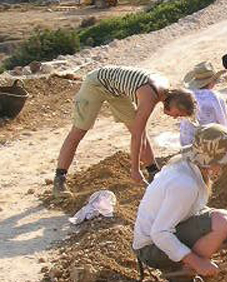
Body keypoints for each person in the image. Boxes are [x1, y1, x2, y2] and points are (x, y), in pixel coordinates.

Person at [132, 124, 227, 282]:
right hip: (150, 248)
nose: (224, 166)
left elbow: (185, 212)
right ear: (209, 161)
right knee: (221, 222)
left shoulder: (186, 165)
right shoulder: (185, 184)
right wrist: (197, 263)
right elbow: (160, 233)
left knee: (224, 226)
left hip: (155, 243)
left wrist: (211, 213)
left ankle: (183, 268)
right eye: (222, 161)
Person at [54, 65, 196, 197]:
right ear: (174, 103)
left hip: (116, 91)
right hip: (96, 83)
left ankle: (154, 174)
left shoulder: (166, 91)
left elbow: (139, 132)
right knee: (78, 131)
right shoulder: (150, 97)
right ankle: (59, 181)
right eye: (177, 114)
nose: (174, 117)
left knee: (138, 129)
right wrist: (135, 169)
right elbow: (137, 136)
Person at [179, 61, 227, 147]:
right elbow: (224, 121)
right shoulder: (215, 97)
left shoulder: (188, 96)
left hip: (188, 144)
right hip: (211, 144)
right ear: (212, 82)